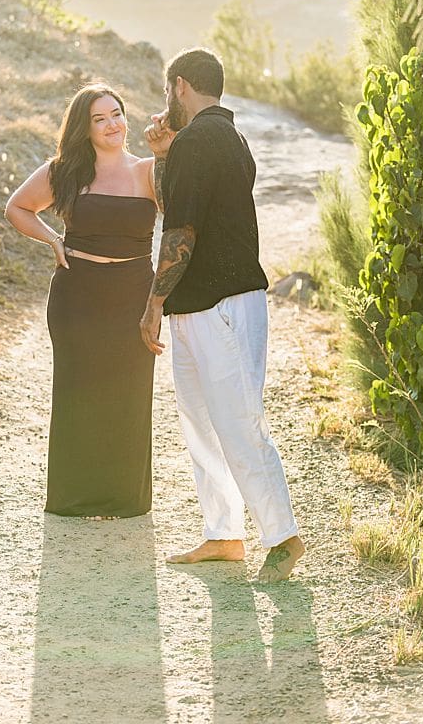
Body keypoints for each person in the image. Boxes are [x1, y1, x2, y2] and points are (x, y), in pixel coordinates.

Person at [138, 47, 305, 583]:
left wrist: (153, 303)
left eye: (168, 90)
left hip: (220, 306)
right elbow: (177, 209)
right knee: (202, 425)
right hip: (206, 306)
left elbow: (179, 233)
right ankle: (224, 534)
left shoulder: (198, 141)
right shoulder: (228, 138)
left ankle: (282, 537)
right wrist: (162, 156)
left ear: (180, 86)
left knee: (237, 422)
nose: (167, 99)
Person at [5, 84, 160, 519]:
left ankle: (124, 499)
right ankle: (73, 499)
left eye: (117, 114)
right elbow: (17, 208)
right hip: (78, 296)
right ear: (84, 128)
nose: (112, 125)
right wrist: (53, 239)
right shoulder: (65, 171)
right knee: (78, 392)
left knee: (128, 394)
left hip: (132, 294)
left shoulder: (149, 171)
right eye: (100, 119)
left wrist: (160, 300)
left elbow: (183, 222)